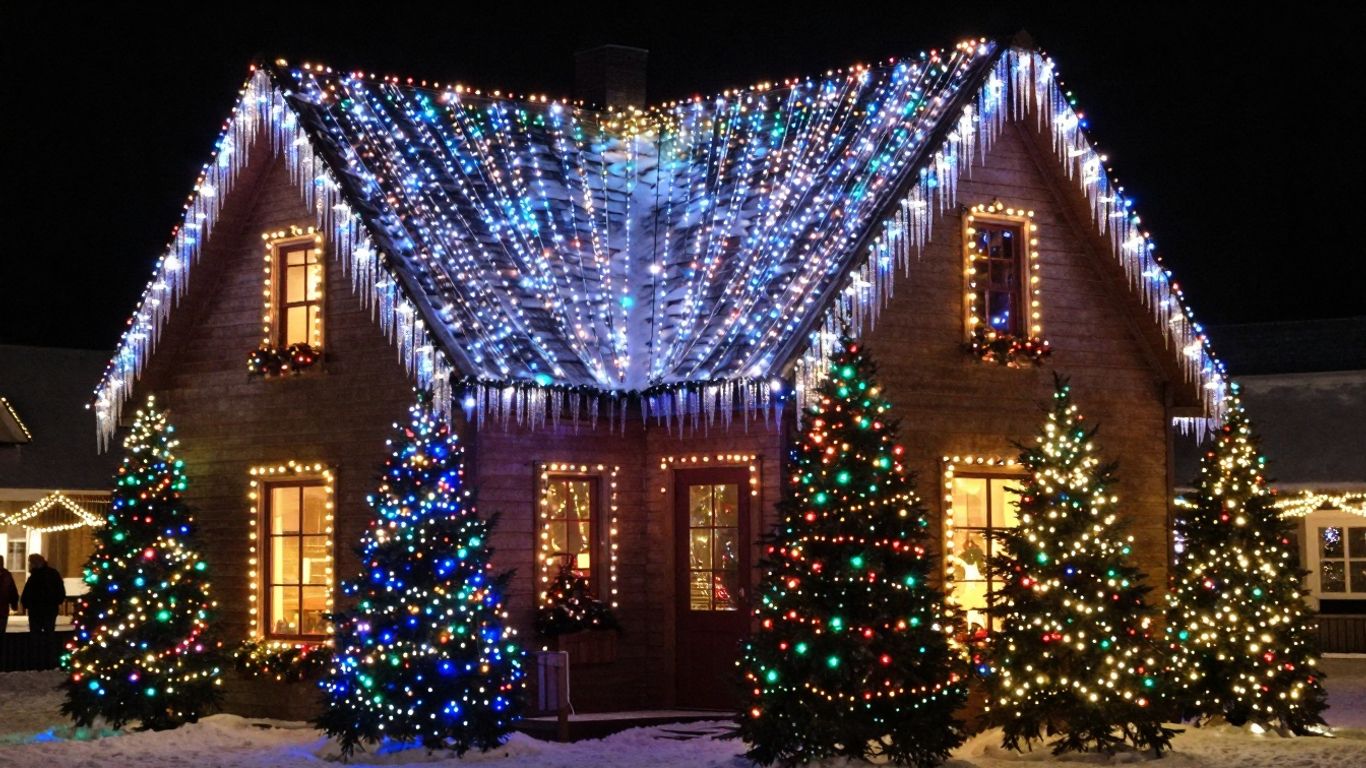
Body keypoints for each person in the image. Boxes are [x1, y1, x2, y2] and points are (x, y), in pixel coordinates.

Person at [21, 553, 65, 633]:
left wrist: (25, 603)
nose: (29, 565)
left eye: (30, 563)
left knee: (36, 633)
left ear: (35, 563)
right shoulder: (52, 573)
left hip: (37, 609)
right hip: (49, 609)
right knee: (48, 632)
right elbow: (60, 590)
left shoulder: (35, 576)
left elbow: (28, 591)